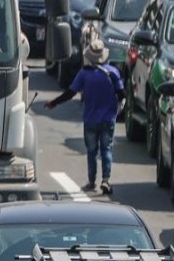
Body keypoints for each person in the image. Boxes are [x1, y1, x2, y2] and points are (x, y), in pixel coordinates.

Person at [45, 40, 125, 195]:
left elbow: (70, 93)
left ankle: (91, 181)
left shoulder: (84, 74)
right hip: (108, 118)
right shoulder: (113, 72)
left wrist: (53, 103)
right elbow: (122, 94)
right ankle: (106, 180)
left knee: (91, 151)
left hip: (90, 119)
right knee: (106, 149)